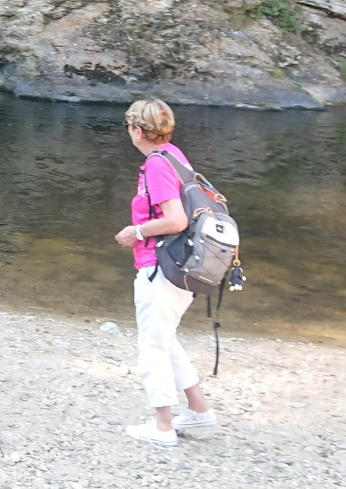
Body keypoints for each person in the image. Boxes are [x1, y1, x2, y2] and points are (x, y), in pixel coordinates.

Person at [113, 98, 218, 447]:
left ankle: (162, 426)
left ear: (137, 130)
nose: (128, 131)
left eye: (128, 126)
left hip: (162, 267)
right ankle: (199, 411)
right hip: (180, 265)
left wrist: (137, 231)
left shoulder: (157, 165)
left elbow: (176, 220)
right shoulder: (174, 155)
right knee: (165, 338)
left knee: (153, 345)